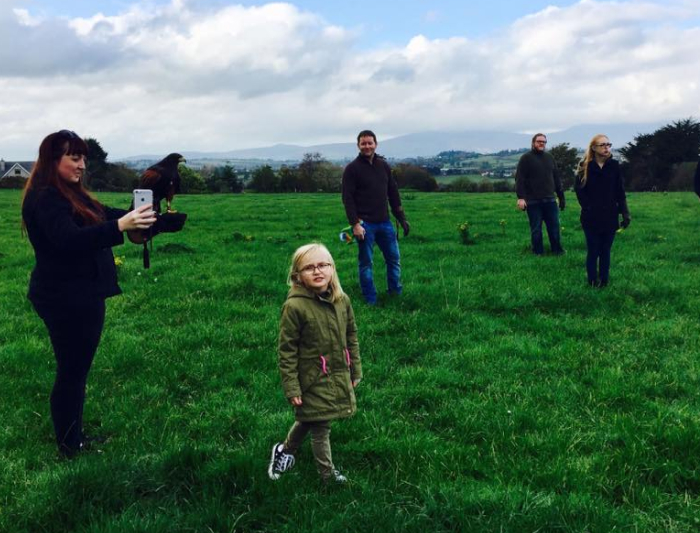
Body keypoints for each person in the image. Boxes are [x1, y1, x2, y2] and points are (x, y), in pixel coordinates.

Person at [21, 130, 157, 458]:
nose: (82, 164)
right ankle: (69, 447)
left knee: (77, 369)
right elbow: (68, 240)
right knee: (72, 371)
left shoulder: (70, 193)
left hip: (81, 293)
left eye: (84, 158)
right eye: (74, 157)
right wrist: (120, 227)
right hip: (65, 297)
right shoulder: (45, 197)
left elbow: (101, 214)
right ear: (54, 160)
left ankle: (74, 437)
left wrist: (148, 219)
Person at [268, 243, 362, 483]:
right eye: (309, 268)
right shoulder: (294, 306)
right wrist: (292, 387)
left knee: (312, 417)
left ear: (332, 268)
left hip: (337, 371)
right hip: (310, 377)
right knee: (321, 426)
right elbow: (286, 350)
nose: (317, 271)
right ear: (297, 276)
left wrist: (355, 368)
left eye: (323, 265)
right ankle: (327, 477)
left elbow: (351, 336)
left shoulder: (342, 301)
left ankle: (285, 450)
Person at [342, 130, 410, 305]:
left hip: (385, 223)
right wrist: (355, 224)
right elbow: (347, 199)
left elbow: (393, 193)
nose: (367, 146)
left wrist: (401, 218)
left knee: (394, 260)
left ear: (376, 144)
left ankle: (395, 294)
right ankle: (370, 299)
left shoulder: (383, 166)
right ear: (358, 145)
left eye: (370, 143)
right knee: (366, 263)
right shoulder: (352, 169)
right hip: (365, 225)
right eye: (363, 143)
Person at [574, 134, 630, 287]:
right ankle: (592, 281)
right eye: (602, 145)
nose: (606, 147)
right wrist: (588, 207)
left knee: (605, 250)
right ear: (594, 148)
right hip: (590, 217)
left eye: (608, 144)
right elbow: (579, 191)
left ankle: (604, 281)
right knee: (593, 250)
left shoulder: (614, 166)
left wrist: (625, 212)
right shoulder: (584, 166)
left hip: (610, 216)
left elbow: (620, 191)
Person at [515, 133, 566, 255]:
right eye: (539, 141)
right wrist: (521, 198)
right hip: (533, 201)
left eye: (544, 142)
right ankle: (538, 252)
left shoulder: (549, 158)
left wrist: (561, 197)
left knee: (554, 228)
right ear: (533, 143)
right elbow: (520, 179)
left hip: (550, 200)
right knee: (536, 229)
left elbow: (556, 178)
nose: (542, 143)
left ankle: (557, 251)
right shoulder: (525, 158)